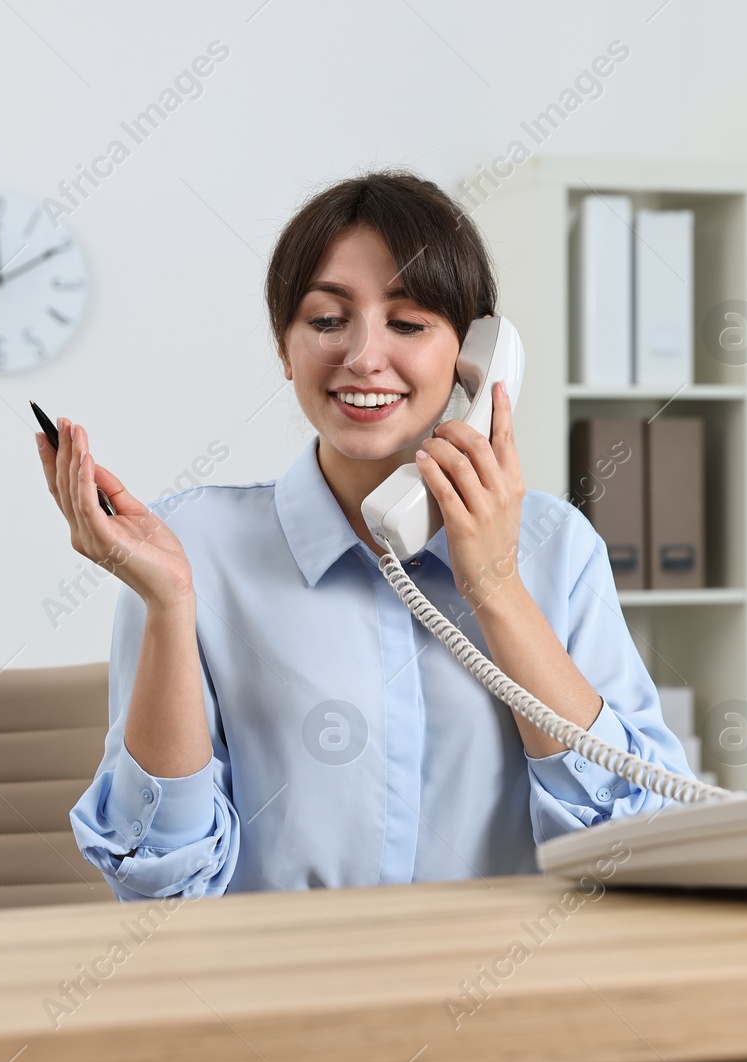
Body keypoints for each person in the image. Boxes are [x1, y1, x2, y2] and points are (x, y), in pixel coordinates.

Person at [36, 169, 692, 901]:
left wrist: (496, 586)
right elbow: (162, 882)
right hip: (282, 998)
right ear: (285, 350)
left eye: (409, 323)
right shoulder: (190, 549)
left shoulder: (557, 546)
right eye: (325, 320)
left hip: (508, 993)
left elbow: (643, 839)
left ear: (473, 357)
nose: (362, 356)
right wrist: (168, 606)